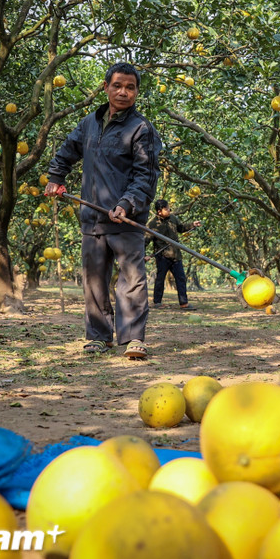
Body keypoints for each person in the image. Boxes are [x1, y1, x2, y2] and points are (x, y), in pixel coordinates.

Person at [44, 62, 161, 359]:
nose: (123, 92)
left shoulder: (141, 129)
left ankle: (133, 339)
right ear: (106, 87)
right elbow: (66, 151)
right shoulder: (89, 123)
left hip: (125, 221)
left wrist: (127, 204)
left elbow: (144, 176)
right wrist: (56, 177)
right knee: (94, 280)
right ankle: (98, 336)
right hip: (92, 218)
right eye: (118, 85)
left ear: (136, 92)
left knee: (131, 280)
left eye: (130, 87)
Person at [145, 199, 202, 310]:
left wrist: (192, 225)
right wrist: (143, 255)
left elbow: (181, 228)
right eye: (166, 209)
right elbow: (145, 240)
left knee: (181, 278)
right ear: (159, 211)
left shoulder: (173, 218)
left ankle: (184, 303)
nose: (169, 210)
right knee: (160, 279)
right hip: (162, 256)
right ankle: (157, 302)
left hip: (176, 255)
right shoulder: (152, 224)